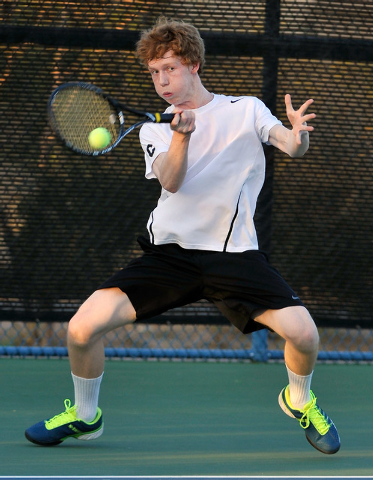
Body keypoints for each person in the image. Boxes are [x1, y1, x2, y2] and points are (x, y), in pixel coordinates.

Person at [25, 17, 340, 455]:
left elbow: (288, 145)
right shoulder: (156, 129)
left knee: (304, 335)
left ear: (193, 64)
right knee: (80, 330)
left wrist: (299, 135)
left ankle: (298, 399)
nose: (161, 81)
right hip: (170, 256)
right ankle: (84, 415)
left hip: (233, 256)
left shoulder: (245, 109)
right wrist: (180, 137)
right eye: (154, 73)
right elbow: (171, 182)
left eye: (169, 68)